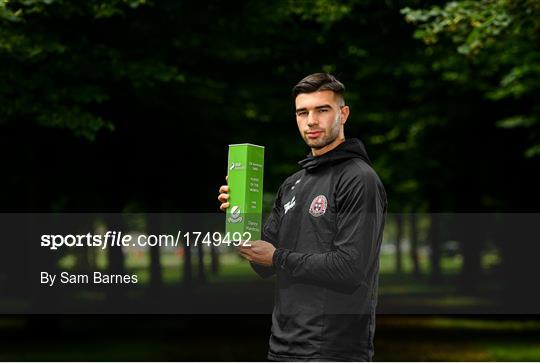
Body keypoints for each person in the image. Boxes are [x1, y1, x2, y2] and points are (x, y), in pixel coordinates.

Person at [218, 73, 387, 361]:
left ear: (343, 114)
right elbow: (264, 265)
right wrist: (240, 218)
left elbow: (350, 268)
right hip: (282, 347)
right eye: (302, 112)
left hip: (332, 351)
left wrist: (277, 258)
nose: (311, 120)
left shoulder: (359, 178)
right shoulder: (293, 183)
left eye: (322, 110)